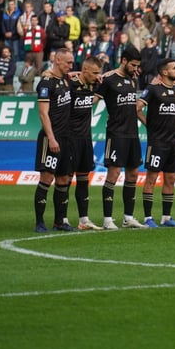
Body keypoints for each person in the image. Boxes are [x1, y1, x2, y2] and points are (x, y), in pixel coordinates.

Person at [95, 45, 146, 230]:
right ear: (123, 60)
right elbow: (92, 100)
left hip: (133, 133)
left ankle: (128, 217)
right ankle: (107, 219)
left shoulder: (133, 80)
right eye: (133, 65)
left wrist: (149, 124)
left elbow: (133, 107)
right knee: (114, 174)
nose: (135, 69)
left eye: (137, 65)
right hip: (116, 134)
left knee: (133, 174)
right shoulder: (108, 79)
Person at [137, 58, 175, 228]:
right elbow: (137, 108)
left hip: (172, 142)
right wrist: (149, 126)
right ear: (164, 72)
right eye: (174, 68)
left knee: (170, 179)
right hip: (157, 142)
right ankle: (148, 218)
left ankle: (166, 218)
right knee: (152, 178)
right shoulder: (153, 89)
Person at [33, 48, 74, 233]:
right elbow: (43, 114)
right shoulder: (46, 83)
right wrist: (51, 138)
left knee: (64, 179)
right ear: (57, 60)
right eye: (68, 62)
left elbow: (81, 74)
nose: (71, 66)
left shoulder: (65, 80)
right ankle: (40, 222)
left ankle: (60, 221)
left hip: (66, 138)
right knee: (47, 177)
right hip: (51, 138)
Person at [67, 55, 105, 230]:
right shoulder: (70, 84)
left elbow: (89, 102)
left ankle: (84, 220)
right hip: (69, 138)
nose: (98, 76)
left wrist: (98, 88)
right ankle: (62, 219)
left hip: (85, 139)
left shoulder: (92, 84)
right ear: (85, 70)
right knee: (65, 180)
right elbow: (51, 76)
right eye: (95, 73)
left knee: (83, 179)